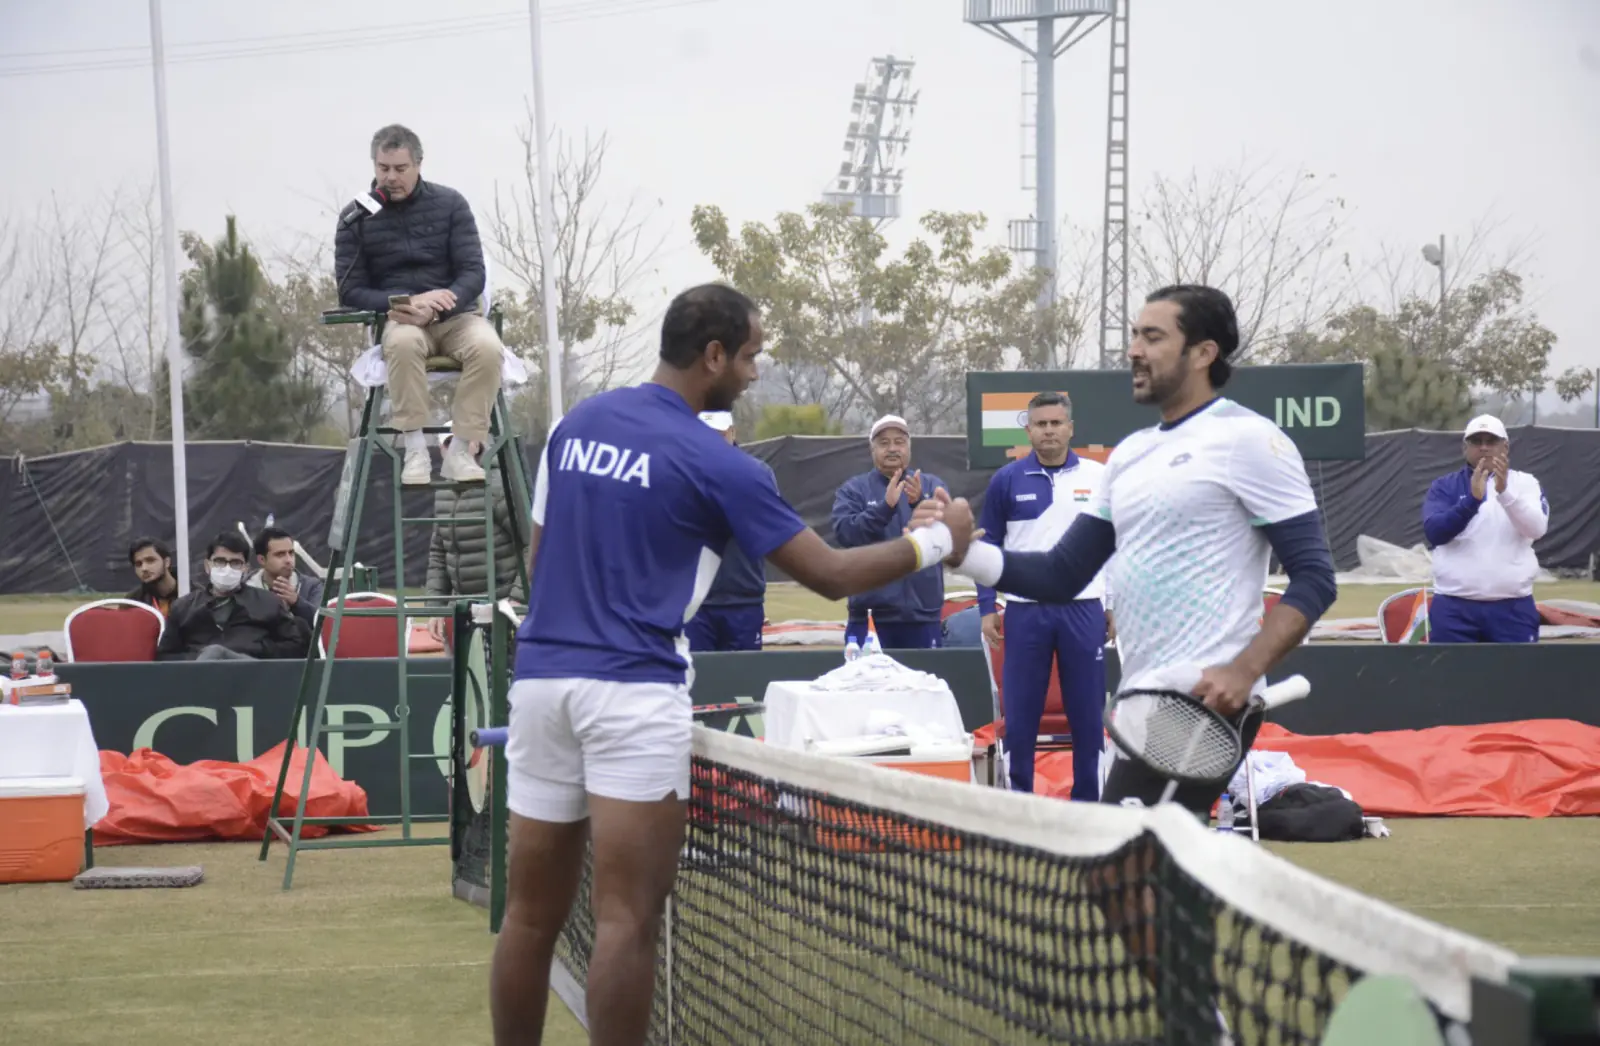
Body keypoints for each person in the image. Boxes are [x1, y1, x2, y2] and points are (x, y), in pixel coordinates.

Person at [489, 283, 975, 1046]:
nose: (754, 372)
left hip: (541, 685)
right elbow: (832, 576)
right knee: (626, 919)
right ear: (712, 355)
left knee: (528, 914)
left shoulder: (574, 424)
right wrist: (941, 541)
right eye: (749, 356)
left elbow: (541, 559)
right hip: (632, 692)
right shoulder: (723, 465)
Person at [930, 284, 1337, 1038]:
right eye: (1134, 335)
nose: (1134, 350)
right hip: (1146, 702)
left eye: (1152, 336)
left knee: (1121, 865)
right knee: (1145, 874)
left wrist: (1245, 670)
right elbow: (1057, 573)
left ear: (1204, 352)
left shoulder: (1252, 441)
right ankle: (1195, 1020)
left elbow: (1316, 576)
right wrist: (968, 555)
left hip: (1205, 707)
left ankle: (1196, 1022)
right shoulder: (1131, 456)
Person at [334, 122, 502, 486]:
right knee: (403, 343)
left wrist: (439, 304)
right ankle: (413, 450)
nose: (390, 177)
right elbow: (349, 290)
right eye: (383, 169)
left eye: (400, 169)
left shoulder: (451, 203)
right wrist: (407, 303)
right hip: (403, 319)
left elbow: (473, 272)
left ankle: (460, 450)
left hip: (457, 317)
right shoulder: (355, 218)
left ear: (418, 165)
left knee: (489, 348)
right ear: (374, 166)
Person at [974, 391, 1110, 800]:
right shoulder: (1006, 480)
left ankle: (1088, 804)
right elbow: (987, 547)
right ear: (1028, 429)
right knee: (1021, 715)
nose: (1049, 430)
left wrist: (1115, 602)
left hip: (1084, 608)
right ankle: (1022, 804)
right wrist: (986, 607)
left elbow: (1117, 541)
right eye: (1040, 424)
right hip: (1025, 610)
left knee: (1087, 713)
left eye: (1056, 423)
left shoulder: (1097, 476)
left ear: (1070, 428)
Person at [1421, 414, 1548, 643]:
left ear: (1505, 447)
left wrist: (1506, 493)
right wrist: (1471, 502)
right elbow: (1435, 533)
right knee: (1449, 677)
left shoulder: (1526, 483)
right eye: (1476, 442)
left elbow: (1536, 529)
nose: (1484, 448)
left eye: (1491, 441)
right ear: (1465, 448)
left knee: (1517, 678)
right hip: (1453, 607)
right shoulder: (1445, 486)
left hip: (1513, 608)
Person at [830, 415, 950, 649]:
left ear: (909, 447)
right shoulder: (854, 490)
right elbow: (846, 534)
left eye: (899, 442)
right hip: (870, 616)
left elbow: (947, 539)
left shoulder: (930, 485)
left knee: (923, 684)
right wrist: (884, 509)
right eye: (884, 443)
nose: (892, 448)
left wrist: (918, 505)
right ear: (872, 449)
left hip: (922, 615)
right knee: (867, 685)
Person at [424, 430, 527, 649]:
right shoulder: (443, 491)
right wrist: (435, 607)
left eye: (461, 440)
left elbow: (533, 544)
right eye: (448, 442)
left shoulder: (498, 485)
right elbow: (439, 553)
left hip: (504, 611)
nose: (455, 448)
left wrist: (517, 600)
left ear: (477, 444)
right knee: (466, 679)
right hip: (464, 613)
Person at [683, 411, 767, 653]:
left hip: (744, 599)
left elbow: (761, 524)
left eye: (719, 435)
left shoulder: (757, 473)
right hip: (694, 602)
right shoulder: (680, 472)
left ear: (732, 433)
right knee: (698, 682)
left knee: (744, 686)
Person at [157, 533, 312, 662]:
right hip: (198, 679)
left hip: (253, 679)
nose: (227, 568)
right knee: (214, 654)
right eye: (220, 562)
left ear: (245, 568)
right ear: (207, 566)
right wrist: (200, 657)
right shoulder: (184, 607)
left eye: (236, 563)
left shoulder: (269, 602)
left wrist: (258, 648)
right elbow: (165, 656)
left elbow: (296, 647)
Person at [246, 526, 325, 630]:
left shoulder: (311, 586)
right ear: (262, 560)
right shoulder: (246, 588)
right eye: (280, 555)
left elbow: (322, 624)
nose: (288, 560)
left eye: (291, 553)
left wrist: (296, 602)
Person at [125, 537, 178, 616]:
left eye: (150, 560)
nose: (144, 568)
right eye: (138, 564)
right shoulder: (132, 602)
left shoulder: (195, 596)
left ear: (167, 562)